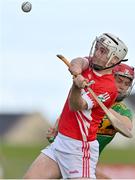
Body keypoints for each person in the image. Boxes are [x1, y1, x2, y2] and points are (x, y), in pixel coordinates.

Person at [24, 33, 128, 179]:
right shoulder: (91, 64)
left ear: (115, 59)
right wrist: (77, 70)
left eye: (103, 51)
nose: (97, 53)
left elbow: (76, 105)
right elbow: (78, 61)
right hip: (60, 143)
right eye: (97, 48)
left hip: (79, 150)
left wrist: (76, 87)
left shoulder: (108, 88)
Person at [46, 63, 135, 179]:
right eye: (119, 81)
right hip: (74, 156)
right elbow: (59, 129)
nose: (122, 86)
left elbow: (127, 127)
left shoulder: (122, 110)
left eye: (127, 84)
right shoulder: (87, 100)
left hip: (88, 160)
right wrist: (53, 136)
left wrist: (104, 104)